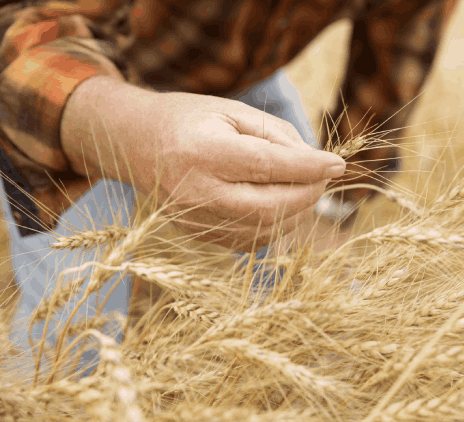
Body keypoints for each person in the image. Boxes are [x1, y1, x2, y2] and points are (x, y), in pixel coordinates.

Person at [0, 0, 456, 371]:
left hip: (240, 79)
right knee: (77, 330)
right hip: (73, 71)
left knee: (322, 288)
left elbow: (394, 63)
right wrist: (129, 130)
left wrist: (336, 205)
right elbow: (20, 23)